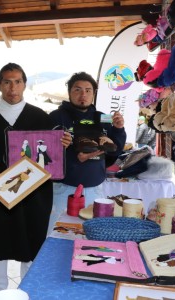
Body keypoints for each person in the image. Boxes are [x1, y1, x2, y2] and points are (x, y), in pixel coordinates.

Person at [0, 62, 71, 296]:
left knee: (32, 243)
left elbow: (50, 160)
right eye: (7, 82)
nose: (12, 88)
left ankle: (29, 291)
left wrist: (61, 145)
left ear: (25, 84)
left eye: (17, 81)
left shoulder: (40, 118)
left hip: (34, 196)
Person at [47, 72, 126, 234]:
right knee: (58, 236)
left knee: (91, 237)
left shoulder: (103, 117)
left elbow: (114, 150)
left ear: (94, 94)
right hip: (63, 189)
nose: (83, 94)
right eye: (77, 90)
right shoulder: (55, 117)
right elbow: (43, 153)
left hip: (95, 189)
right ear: (69, 92)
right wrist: (62, 147)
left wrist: (118, 130)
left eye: (88, 90)